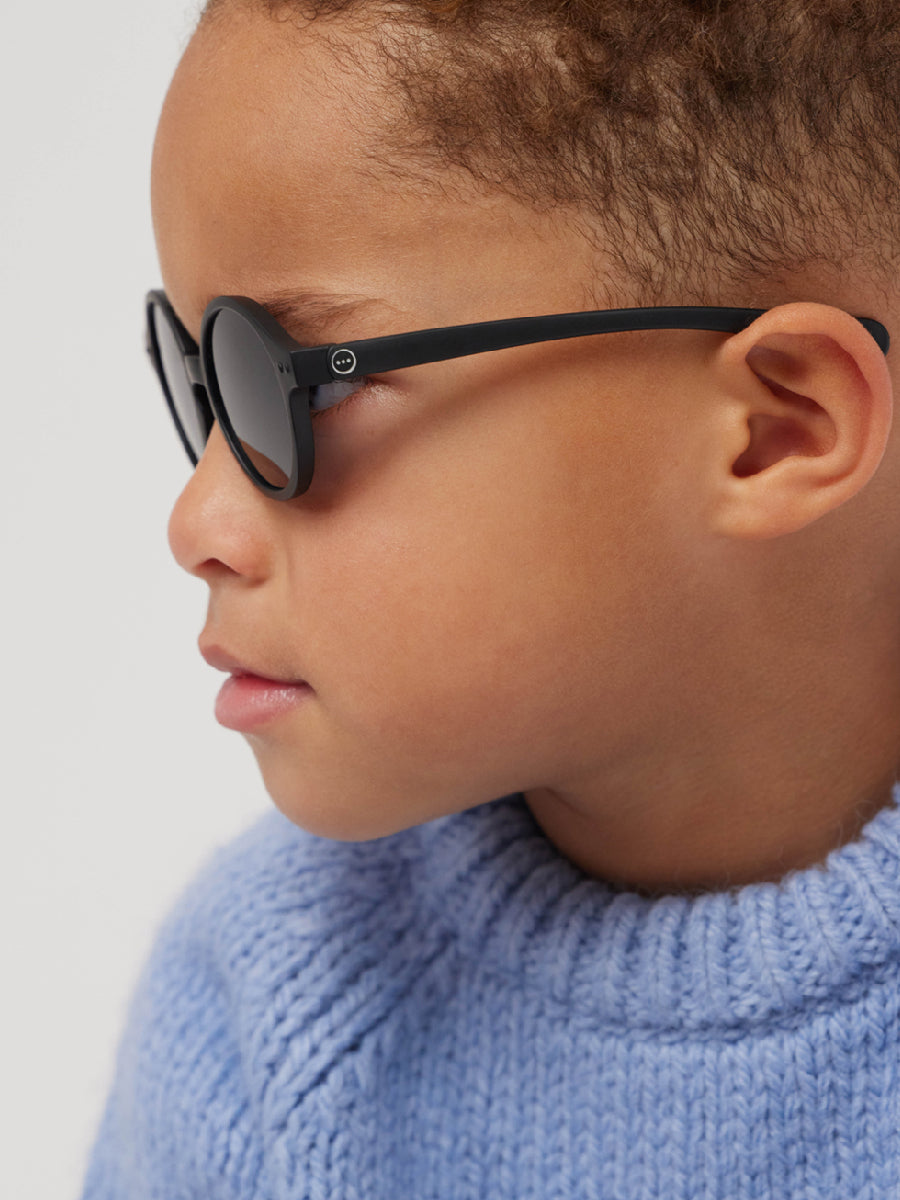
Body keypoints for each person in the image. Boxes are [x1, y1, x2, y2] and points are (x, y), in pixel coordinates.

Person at [81, 1, 900, 1195]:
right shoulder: (262, 1004)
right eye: (203, 379)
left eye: (294, 387)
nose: (196, 523)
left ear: (774, 430)